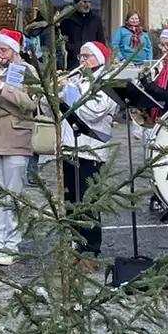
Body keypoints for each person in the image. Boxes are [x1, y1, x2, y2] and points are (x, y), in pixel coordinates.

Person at [0, 27, 39, 266]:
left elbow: (29, 103)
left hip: (15, 138)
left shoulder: (26, 70)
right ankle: (0, 241)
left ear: (14, 49)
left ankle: (12, 245)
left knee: (12, 196)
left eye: (3, 50)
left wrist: (2, 86)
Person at [57, 40, 119, 260]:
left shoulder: (107, 81)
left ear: (99, 59)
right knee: (71, 200)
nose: (81, 60)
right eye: (80, 56)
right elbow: (55, 107)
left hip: (90, 149)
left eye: (86, 56)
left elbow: (94, 112)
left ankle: (91, 250)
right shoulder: (77, 79)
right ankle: (76, 244)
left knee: (88, 201)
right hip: (69, 146)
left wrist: (69, 88)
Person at [57, 0, 107, 67]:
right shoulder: (68, 19)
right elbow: (62, 36)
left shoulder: (96, 19)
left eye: (89, 2)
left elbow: (101, 38)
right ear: (77, 4)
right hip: (74, 57)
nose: (87, 5)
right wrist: (71, 47)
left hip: (92, 57)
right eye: (84, 2)